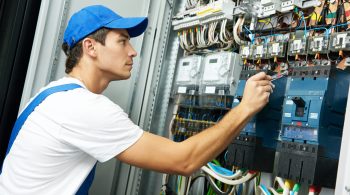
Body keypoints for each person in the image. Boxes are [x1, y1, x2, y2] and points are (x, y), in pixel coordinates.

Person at [0, 5, 273, 194]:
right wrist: (245, 107)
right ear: (90, 47)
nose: (133, 52)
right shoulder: (82, 108)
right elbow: (185, 161)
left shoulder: (50, 96)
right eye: (122, 41)